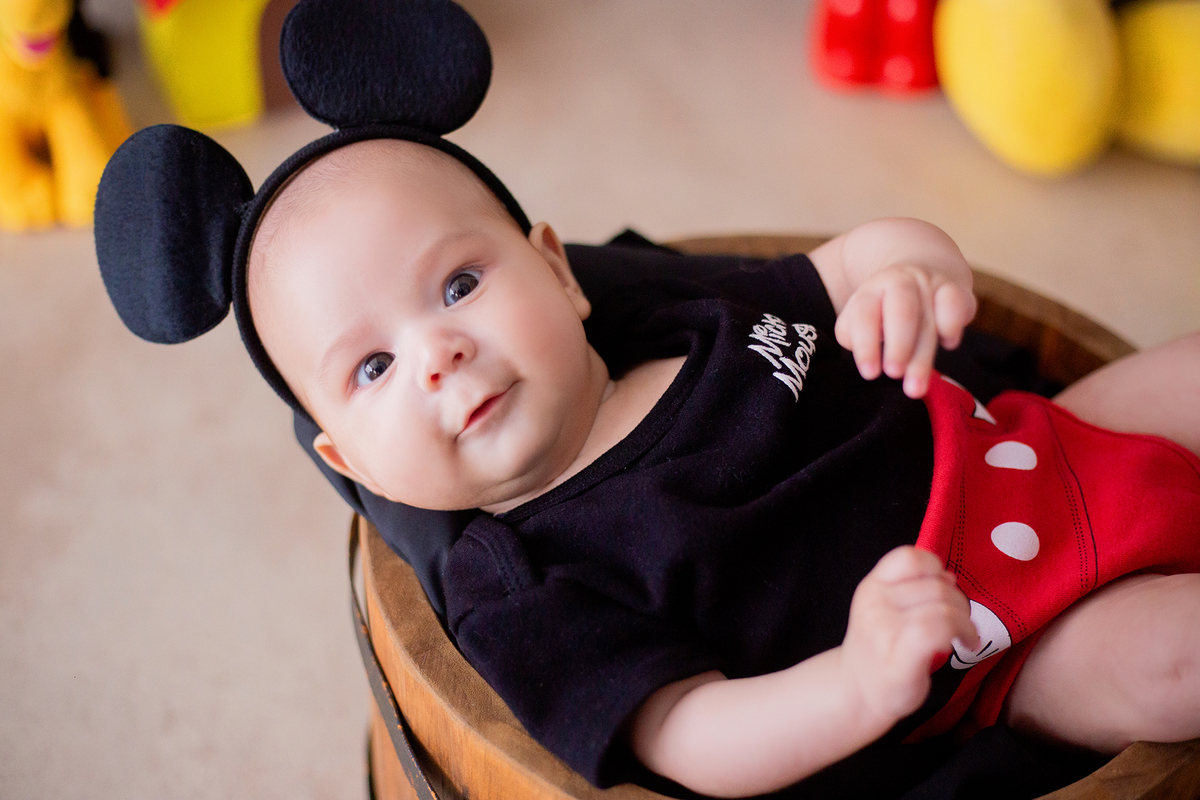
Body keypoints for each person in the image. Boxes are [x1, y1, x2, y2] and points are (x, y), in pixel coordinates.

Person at [243, 137, 1200, 798]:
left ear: (559, 273)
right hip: (991, 648)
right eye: (372, 369)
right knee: (1169, 662)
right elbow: (689, 735)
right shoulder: (520, 584)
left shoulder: (679, 320)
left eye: (459, 285)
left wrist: (915, 276)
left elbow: (857, 259)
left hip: (1024, 434)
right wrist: (859, 681)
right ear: (352, 461)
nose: (438, 353)